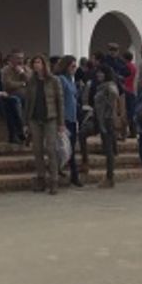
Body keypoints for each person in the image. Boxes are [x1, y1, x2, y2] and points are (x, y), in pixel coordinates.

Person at [23, 54, 64, 195]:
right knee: (37, 150)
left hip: (50, 117)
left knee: (51, 149)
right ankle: (41, 178)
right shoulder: (31, 81)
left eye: (39, 62)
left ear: (44, 64)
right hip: (35, 118)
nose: (36, 65)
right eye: (34, 63)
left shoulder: (53, 80)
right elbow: (27, 102)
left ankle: (54, 180)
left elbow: (60, 101)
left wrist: (61, 122)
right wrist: (26, 121)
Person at [54, 56, 83, 187]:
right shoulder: (61, 80)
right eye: (72, 66)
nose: (74, 68)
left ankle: (71, 174)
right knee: (66, 148)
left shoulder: (71, 80)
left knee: (70, 148)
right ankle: (73, 174)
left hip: (72, 117)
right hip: (64, 117)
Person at [92, 65, 123, 188]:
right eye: (98, 73)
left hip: (107, 120)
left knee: (108, 149)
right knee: (107, 148)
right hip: (102, 119)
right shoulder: (101, 87)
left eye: (101, 73)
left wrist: (110, 110)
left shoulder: (109, 86)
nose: (99, 75)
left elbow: (114, 94)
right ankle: (109, 175)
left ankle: (110, 177)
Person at [1, 50, 31, 142]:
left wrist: (22, 73)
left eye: (22, 58)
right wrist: (22, 84)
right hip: (10, 96)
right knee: (14, 104)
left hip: (26, 97)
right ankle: (20, 130)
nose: (20, 60)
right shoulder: (6, 70)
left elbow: (31, 82)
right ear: (11, 59)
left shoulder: (26, 69)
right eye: (17, 58)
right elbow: (8, 84)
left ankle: (25, 132)